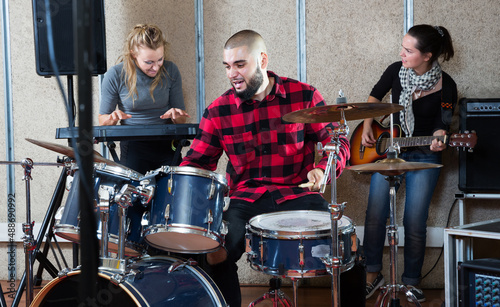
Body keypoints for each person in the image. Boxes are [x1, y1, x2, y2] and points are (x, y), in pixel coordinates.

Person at [180, 30, 357, 306]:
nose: (232, 74)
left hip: (298, 195)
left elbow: (338, 142)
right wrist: (176, 183)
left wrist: (323, 170)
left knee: (346, 245)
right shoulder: (218, 110)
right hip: (243, 199)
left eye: (240, 65)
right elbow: (196, 163)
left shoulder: (304, 95)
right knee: (214, 251)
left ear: (262, 60)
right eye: (227, 66)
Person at [361, 24, 457, 302]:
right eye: (402, 47)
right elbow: (375, 96)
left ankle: (411, 282)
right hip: (391, 150)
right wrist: (368, 124)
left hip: (425, 153)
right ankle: (372, 274)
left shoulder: (447, 85)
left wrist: (441, 139)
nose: (401, 53)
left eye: (408, 50)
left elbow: (443, 127)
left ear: (426, 56)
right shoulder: (395, 71)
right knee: (375, 213)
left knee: (414, 220)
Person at [99, 24, 190, 174]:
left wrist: (177, 116)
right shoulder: (115, 75)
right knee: (134, 194)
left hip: (167, 144)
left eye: (160, 60)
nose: (156, 67)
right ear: (133, 54)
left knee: (171, 194)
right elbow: (102, 120)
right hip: (133, 147)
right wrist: (112, 119)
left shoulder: (171, 70)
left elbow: (181, 121)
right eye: (149, 62)